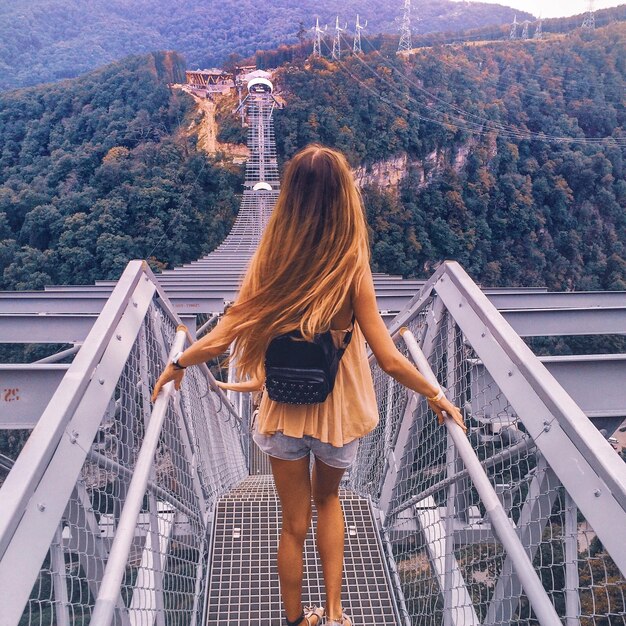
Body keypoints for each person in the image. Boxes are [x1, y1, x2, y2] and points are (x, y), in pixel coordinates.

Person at [151, 144, 466, 626]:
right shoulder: (350, 268)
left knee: (293, 525)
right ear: (344, 198)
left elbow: (222, 337)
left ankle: (298, 619)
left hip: (282, 410)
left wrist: (177, 364)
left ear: (290, 197)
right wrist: (437, 395)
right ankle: (336, 613)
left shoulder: (270, 263)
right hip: (338, 416)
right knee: (329, 501)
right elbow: (387, 358)